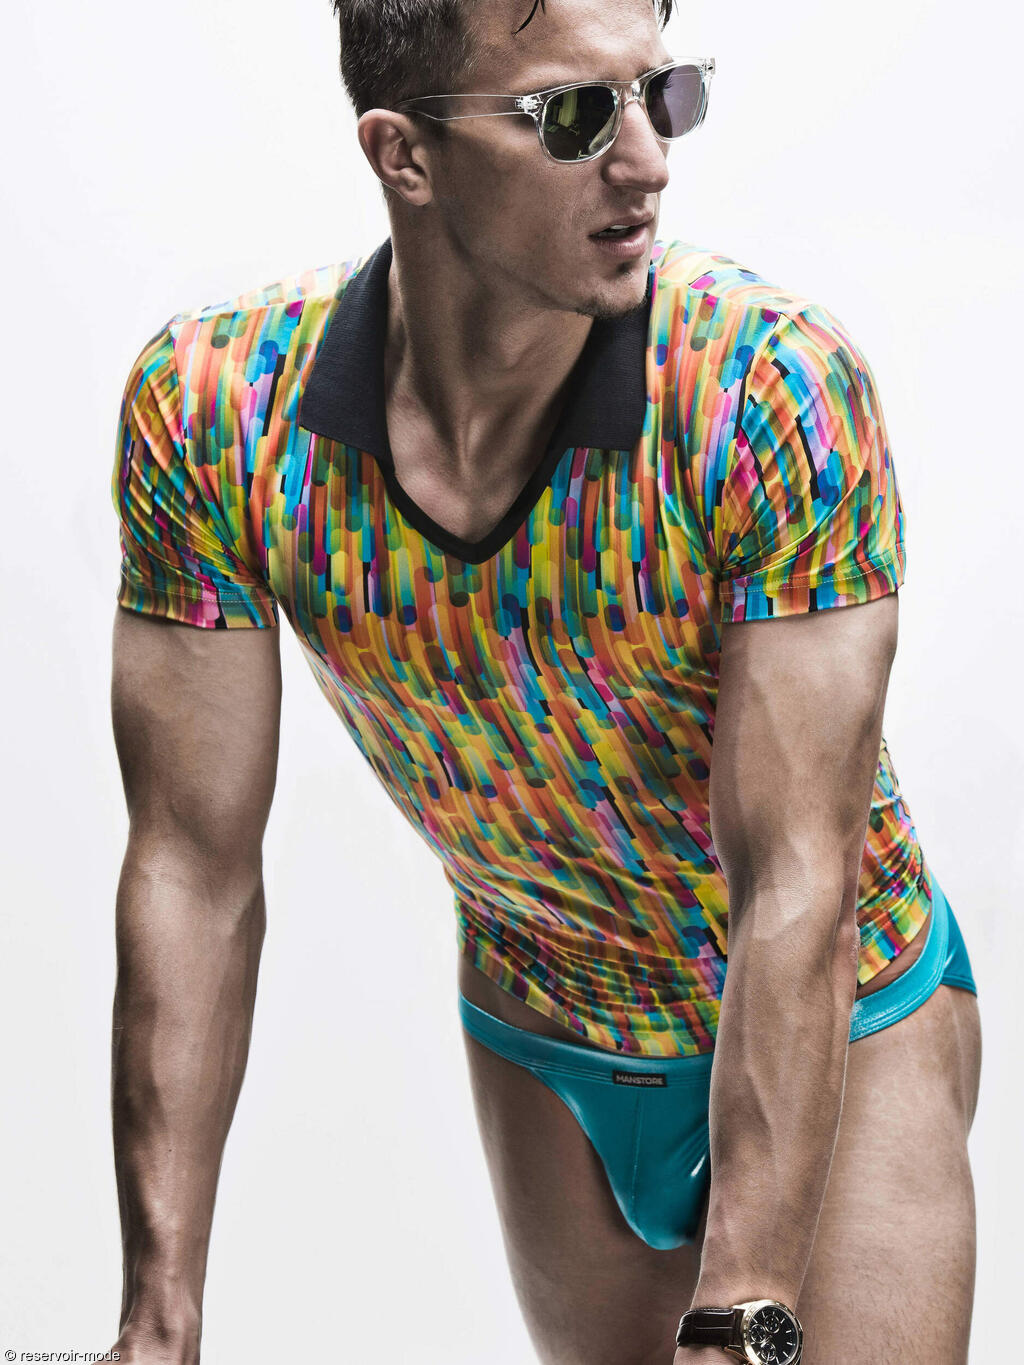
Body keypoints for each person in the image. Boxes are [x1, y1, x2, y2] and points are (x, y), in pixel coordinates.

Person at [105, 0, 982, 1361]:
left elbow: (796, 878)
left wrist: (741, 1310)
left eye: (663, 96)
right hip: (548, 1025)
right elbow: (190, 868)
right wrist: (157, 1319)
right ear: (403, 154)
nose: (649, 163)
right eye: (574, 115)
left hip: (844, 1004)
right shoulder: (218, 413)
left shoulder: (766, 392)